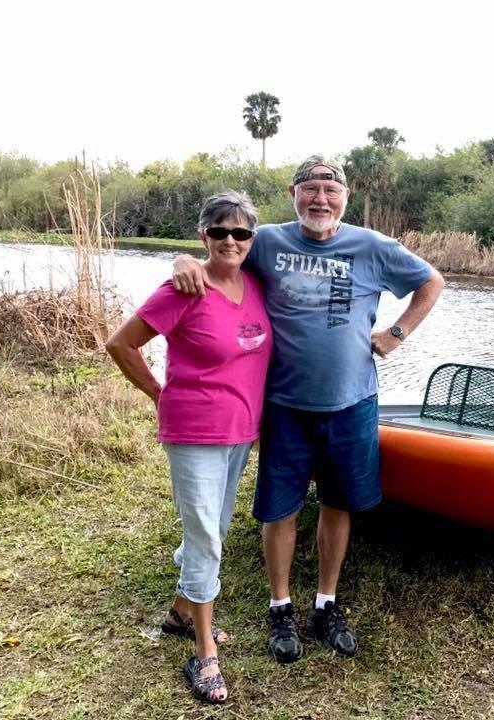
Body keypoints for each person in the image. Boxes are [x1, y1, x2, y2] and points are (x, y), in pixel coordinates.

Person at [172, 154, 444, 662]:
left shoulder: (372, 246)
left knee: (338, 503)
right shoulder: (268, 241)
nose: (321, 198)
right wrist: (185, 261)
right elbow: (220, 257)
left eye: (331, 189)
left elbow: (432, 282)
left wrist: (397, 333)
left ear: (345, 197)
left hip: (352, 401)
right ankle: (280, 608)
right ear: (293, 193)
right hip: (284, 404)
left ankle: (326, 603)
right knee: (280, 508)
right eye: (311, 188)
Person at [106, 191, 271, 703]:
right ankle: (203, 653)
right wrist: (160, 394)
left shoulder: (257, 282)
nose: (229, 240)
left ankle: (181, 611)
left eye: (240, 232)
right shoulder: (183, 287)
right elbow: (121, 343)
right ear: (202, 234)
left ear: (251, 240)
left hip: (242, 429)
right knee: (205, 538)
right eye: (218, 231)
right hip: (195, 429)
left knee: (214, 527)